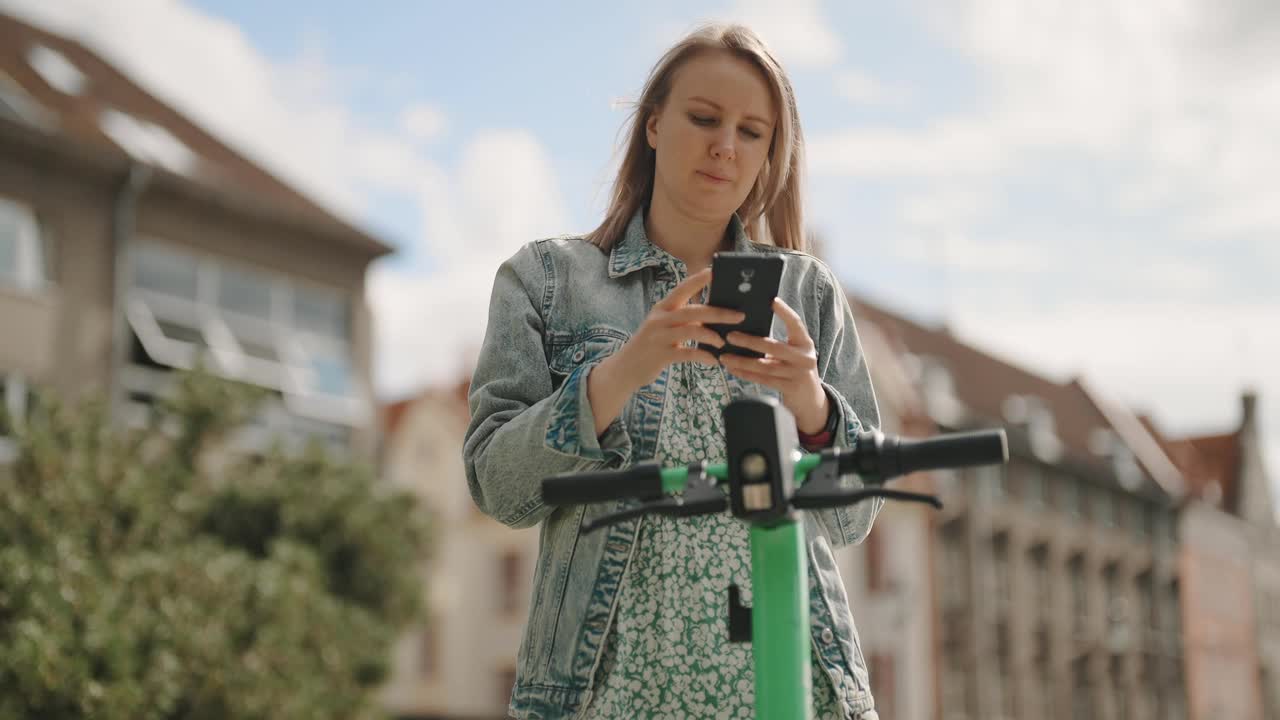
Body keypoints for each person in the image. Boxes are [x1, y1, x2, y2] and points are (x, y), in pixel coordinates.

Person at [464, 22, 882, 720]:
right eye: (704, 118)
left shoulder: (808, 296)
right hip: (605, 699)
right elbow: (497, 489)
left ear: (770, 156)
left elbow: (855, 519)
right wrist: (623, 372)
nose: (726, 145)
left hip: (792, 693)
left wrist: (812, 406)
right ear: (654, 125)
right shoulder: (544, 280)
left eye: (753, 131)